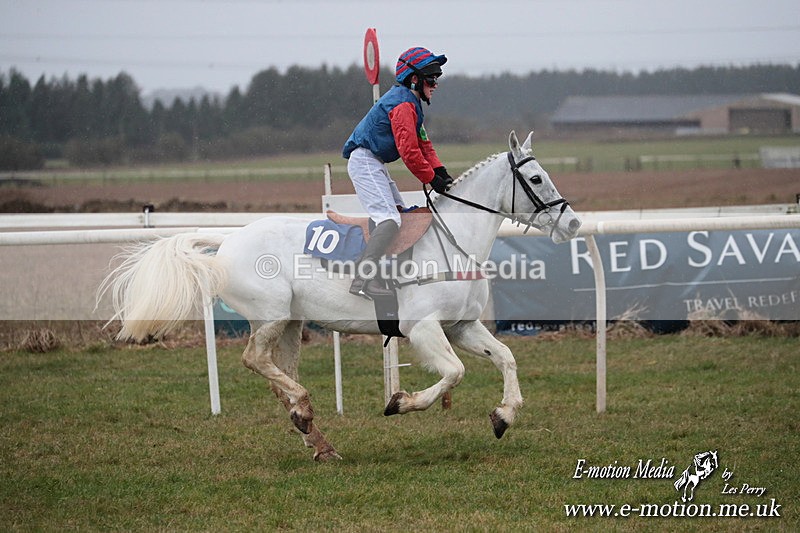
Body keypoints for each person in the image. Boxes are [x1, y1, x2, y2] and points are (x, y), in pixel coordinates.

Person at [342, 46, 454, 299]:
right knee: (390, 220)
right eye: (432, 78)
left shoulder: (411, 102)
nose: (436, 84)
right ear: (415, 79)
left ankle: (391, 274)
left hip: (374, 163)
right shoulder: (403, 104)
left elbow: (424, 144)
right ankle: (362, 280)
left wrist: (440, 170)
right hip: (365, 161)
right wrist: (431, 179)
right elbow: (410, 152)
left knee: (402, 219)